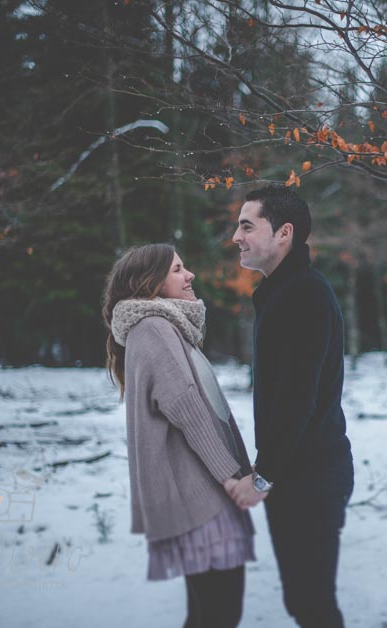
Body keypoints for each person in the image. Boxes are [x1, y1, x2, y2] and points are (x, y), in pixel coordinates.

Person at [103, 243, 258, 628]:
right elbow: (186, 406)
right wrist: (231, 475)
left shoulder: (161, 327)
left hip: (199, 493)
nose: (189, 276)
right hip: (200, 497)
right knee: (219, 615)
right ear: (150, 283)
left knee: (208, 615)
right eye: (177, 269)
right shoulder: (154, 327)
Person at [229, 184, 354, 628]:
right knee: (306, 604)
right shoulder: (284, 291)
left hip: (311, 476)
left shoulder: (302, 293)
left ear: (284, 233)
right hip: (299, 474)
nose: (236, 237)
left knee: (312, 606)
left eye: (247, 225)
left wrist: (264, 476)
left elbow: (297, 396)